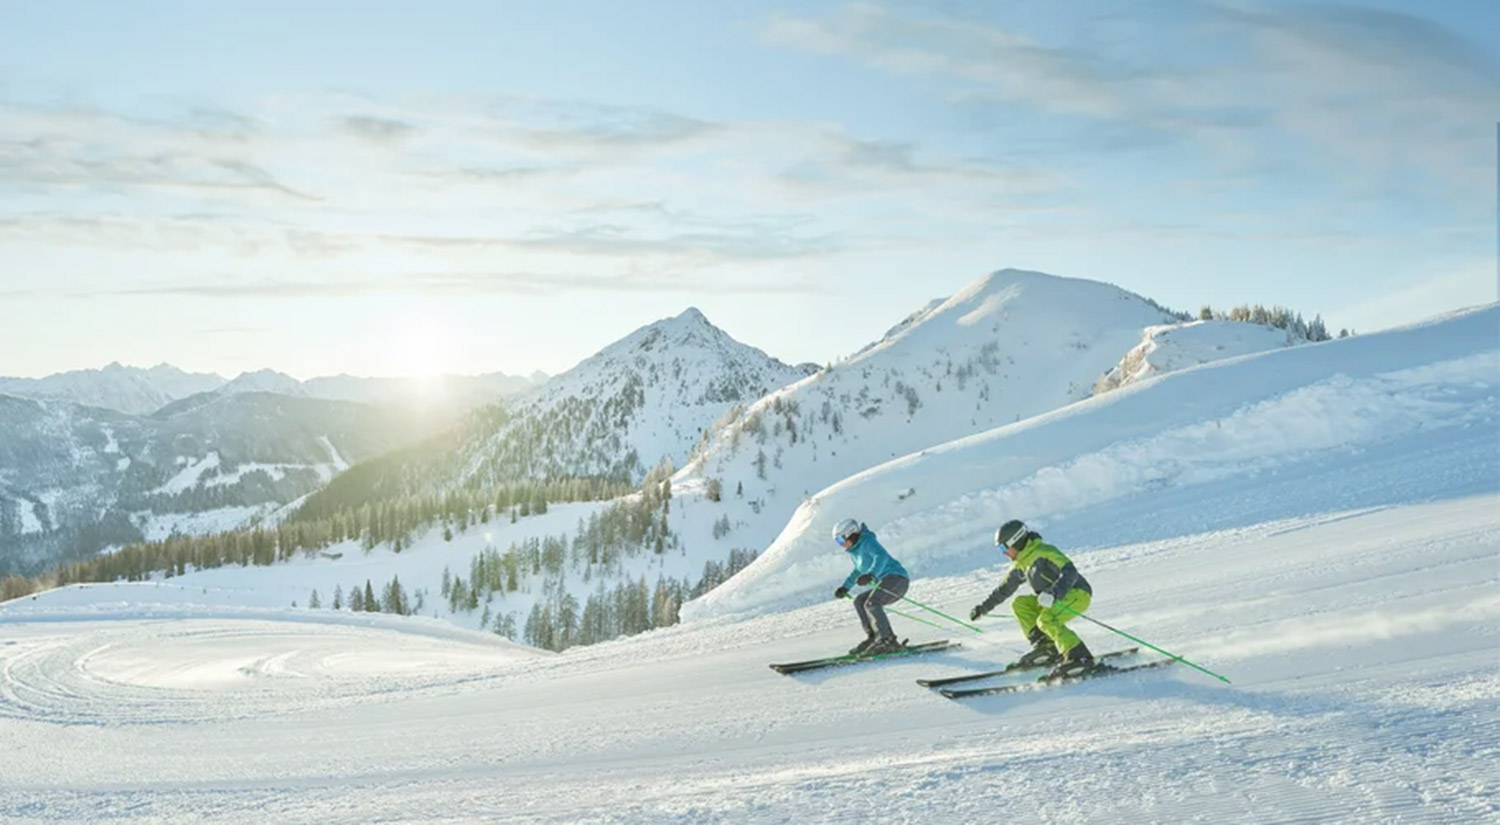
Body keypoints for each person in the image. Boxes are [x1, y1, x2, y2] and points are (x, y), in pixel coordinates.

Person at [969, 519, 1096, 677]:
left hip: (1076, 593)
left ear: (1015, 541)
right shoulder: (1021, 564)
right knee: (1020, 604)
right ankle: (1046, 647)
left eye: (1003, 547)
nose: (1003, 553)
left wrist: (1054, 593)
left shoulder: (1045, 552)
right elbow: (1003, 590)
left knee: (1047, 620)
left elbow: (1070, 571)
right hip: (1052, 599)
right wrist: (983, 608)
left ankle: (1080, 657)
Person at [831, 518, 910, 656]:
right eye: (838, 541)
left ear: (851, 534)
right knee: (859, 601)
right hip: (885, 581)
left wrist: (872, 575)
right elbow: (857, 571)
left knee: (872, 602)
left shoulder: (868, 542)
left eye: (841, 540)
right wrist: (845, 588)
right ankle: (875, 637)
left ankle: (887, 640)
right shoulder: (855, 551)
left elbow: (881, 557)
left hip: (897, 579)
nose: (841, 544)